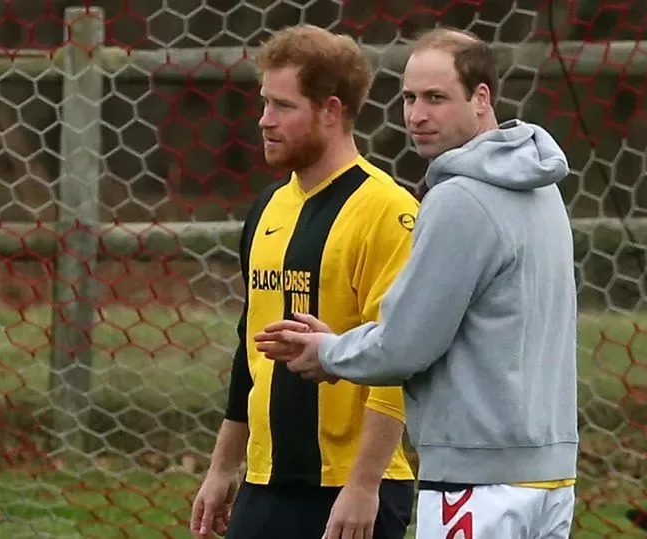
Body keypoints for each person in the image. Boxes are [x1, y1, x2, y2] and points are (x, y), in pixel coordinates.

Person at [254, 27, 579, 539]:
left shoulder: (460, 200)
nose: (416, 115)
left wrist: (330, 351)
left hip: (476, 480)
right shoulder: (541, 187)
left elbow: (405, 344)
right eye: (408, 98)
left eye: (436, 98)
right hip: (550, 476)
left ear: (481, 98)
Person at [188, 24, 418, 539]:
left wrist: (364, 485)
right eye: (264, 103)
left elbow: (400, 359)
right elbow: (249, 346)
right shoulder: (267, 208)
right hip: (266, 481)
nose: (264, 121)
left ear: (331, 111)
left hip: (351, 488)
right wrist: (224, 467)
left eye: (283, 106)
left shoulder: (388, 211)